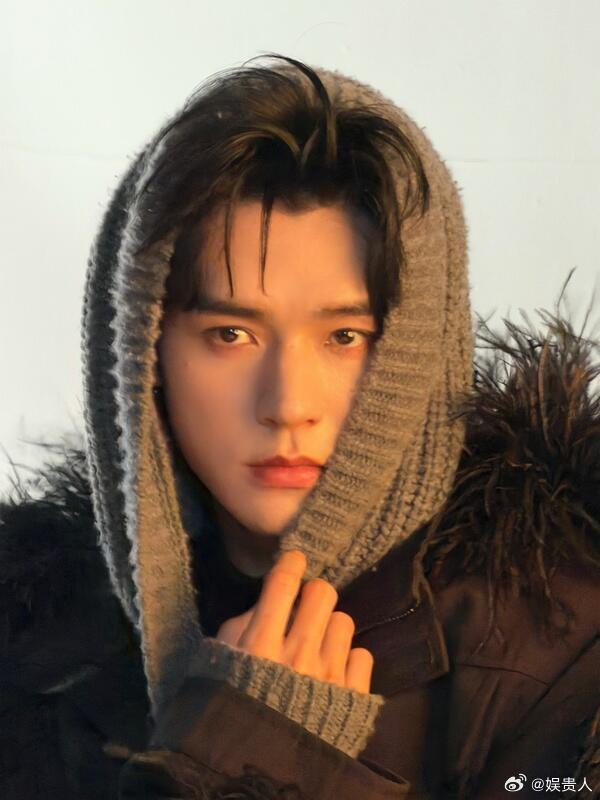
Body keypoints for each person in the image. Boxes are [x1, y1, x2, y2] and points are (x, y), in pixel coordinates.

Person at [1, 54, 598, 799]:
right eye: (230, 335)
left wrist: (252, 754)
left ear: (417, 351)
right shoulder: (35, 650)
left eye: (345, 337)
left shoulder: (560, 649)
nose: (287, 404)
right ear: (142, 356)